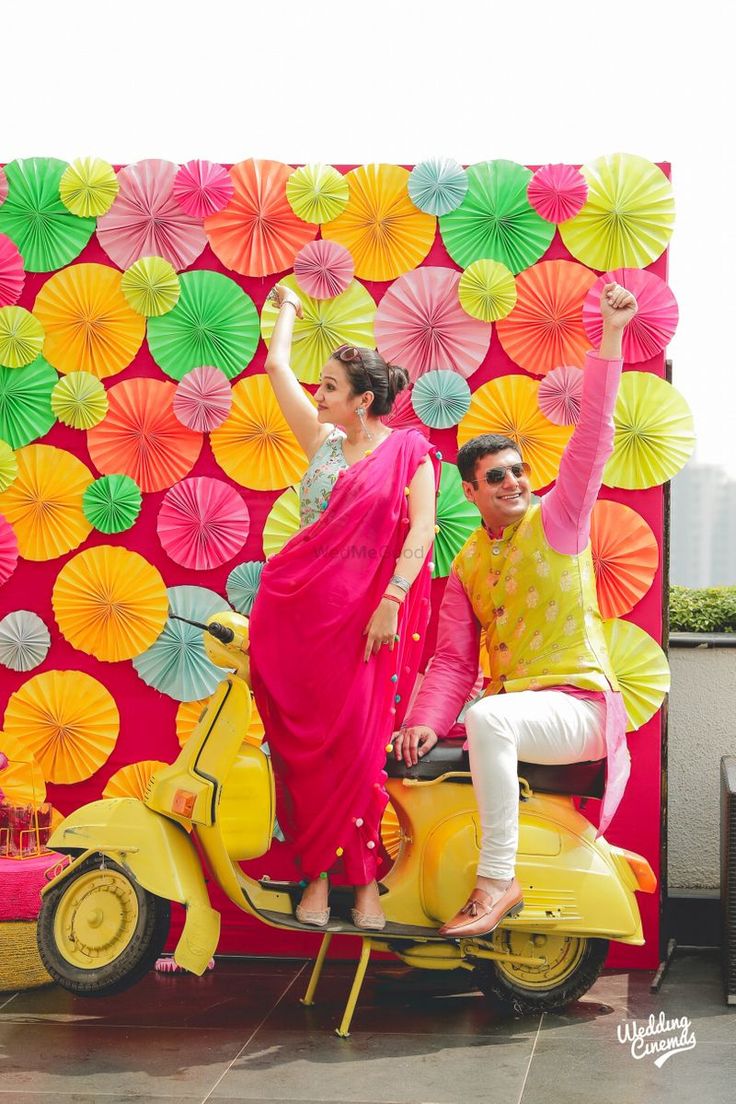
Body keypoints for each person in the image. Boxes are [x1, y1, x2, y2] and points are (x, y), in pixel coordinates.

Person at [393, 282, 639, 938]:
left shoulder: (559, 520)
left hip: (579, 707)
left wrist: (610, 337)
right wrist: (422, 721)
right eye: (496, 476)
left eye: (519, 470)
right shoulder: (467, 563)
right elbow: (450, 661)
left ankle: (497, 880)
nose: (514, 482)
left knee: (489, 718)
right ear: (470, 490)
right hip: (516, 716)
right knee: (439, 741)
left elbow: (593, 437)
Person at [249, 283, 439, 931]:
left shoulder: (409, 453)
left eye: (329, 386)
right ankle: (316, 875)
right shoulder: (322, 444)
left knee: (357, 752)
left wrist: (391, 598)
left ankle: (363, 886)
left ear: (363, 400)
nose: (318, 393)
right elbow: (276, 368)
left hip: (368, 624)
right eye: (320, 385)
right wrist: (289, 313)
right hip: (299, 617)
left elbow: (422, 532)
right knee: (301, 751)